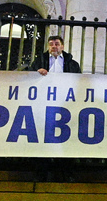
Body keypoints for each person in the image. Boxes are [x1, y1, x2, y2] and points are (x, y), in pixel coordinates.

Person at [30, 35, 80, 182]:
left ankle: (65, 173)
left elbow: (78, 81)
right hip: (43, 105)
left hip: (65, 106)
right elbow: (30, 76)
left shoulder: (72, 64)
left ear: (62, 46)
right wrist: (37, 72)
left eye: (57, 44)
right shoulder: (39, 61)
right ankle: (42, 173)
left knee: (65, 138)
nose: (54, 46)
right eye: (51, 44)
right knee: (42, 137)